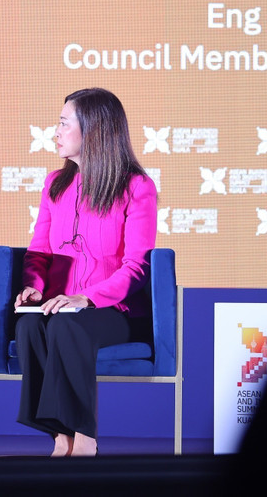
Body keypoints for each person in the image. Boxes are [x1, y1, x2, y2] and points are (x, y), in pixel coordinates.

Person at [13, 88, 157, 456]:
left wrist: (88, 297)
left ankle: (85, 439)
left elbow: (138, 267)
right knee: (30, 324)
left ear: (93, 130)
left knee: (65, 324)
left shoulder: (136, 187)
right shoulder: (55, 185)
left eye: (63, 123)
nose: (56, 131)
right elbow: (39, 251)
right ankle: (60, 437)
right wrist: (33, 287)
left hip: (115, 311)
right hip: (60, 306)